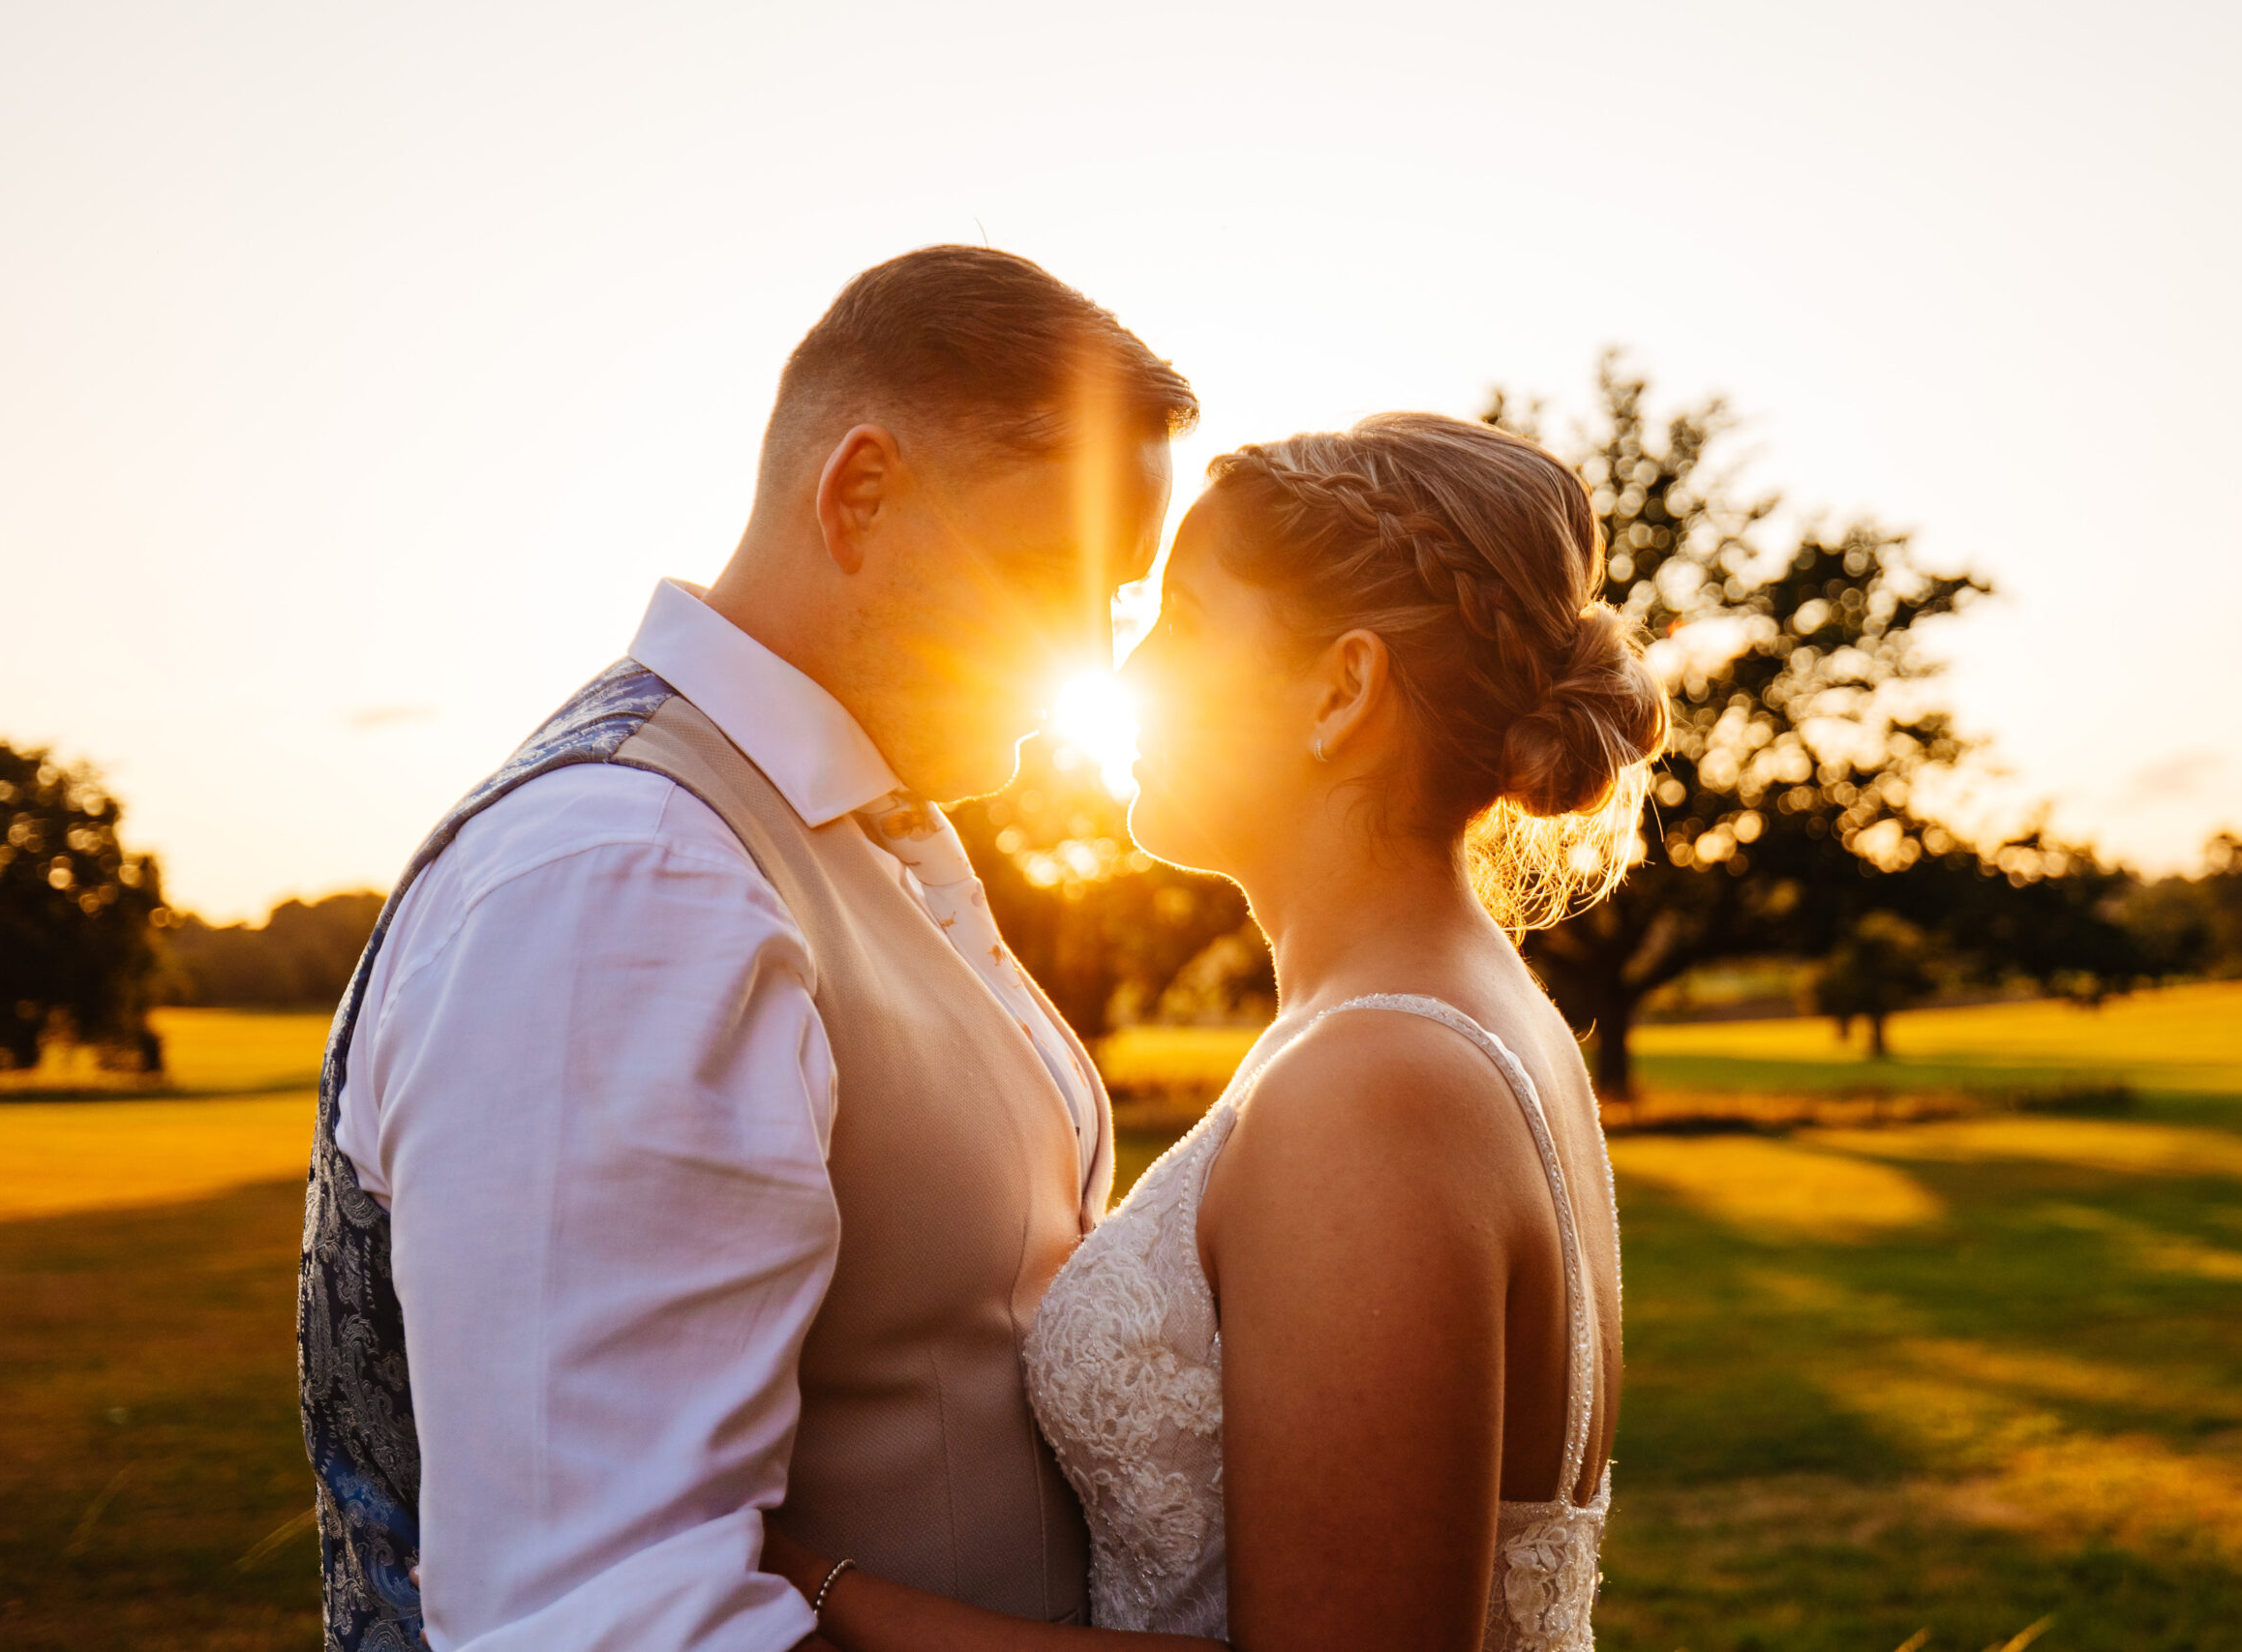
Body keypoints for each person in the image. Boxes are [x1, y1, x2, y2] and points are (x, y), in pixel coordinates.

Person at [297, 245, 1197, 1651]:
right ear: (860, 497)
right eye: (1049, 574)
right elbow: (609, 1617)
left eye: (1123, 598)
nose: (1095, 650)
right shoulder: (633, 875)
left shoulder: (846, 825)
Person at [761, 413, 1669, 1652]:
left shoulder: (1374, 1080)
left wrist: (815, 1591)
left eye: (1180, 628)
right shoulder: (1449, 1014)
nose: (1124, 679)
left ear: (1340, 691)